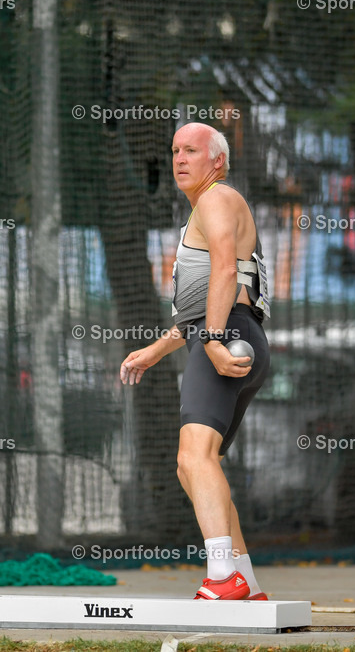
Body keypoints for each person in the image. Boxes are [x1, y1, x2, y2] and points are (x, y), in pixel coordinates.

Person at [120, 122, 270, 600]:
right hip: (235, 337)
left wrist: (209, 341)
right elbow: (203, 299)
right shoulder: (203, 211)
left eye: (192, 150)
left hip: (229, 337)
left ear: (217, 162)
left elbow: (227, 271)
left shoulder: (217, 198)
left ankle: (224, 578)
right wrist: (157, 349)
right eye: (175, 150)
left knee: (194, 458)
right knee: (197, 467)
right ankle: (246, 581)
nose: (180, 158)